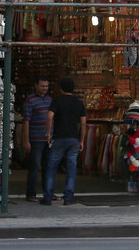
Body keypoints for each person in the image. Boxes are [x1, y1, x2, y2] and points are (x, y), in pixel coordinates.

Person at [41, 77, 86, 206]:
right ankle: (68, 197)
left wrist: (48, 133)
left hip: (59, 137)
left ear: (61, 89)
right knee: (71, 168)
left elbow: (49, 117)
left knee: (51, 167)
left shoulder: (56, 101)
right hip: (73, 139)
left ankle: (48, 197)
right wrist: (81, 140)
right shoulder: (79, 103)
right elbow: (83, 124)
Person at [22, 76, 51, 203]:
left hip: (48, 139)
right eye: (42, 86)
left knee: (48, 167)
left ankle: (48, 192)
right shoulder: (30, 101)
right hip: (36, 138)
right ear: (36, 85)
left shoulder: (50, 100)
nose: (44, 88)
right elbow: (26, 121)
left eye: (46, 86)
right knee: (35, 166)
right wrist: (26, 140)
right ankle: (31, 193)